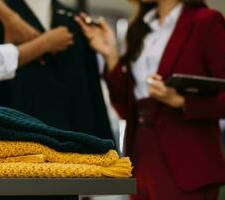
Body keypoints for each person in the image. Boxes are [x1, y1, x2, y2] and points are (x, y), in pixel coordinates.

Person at [76, 0, 225, 199]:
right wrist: (111, 55)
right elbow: (126, 108)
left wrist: (181, 102)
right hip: (141, 157)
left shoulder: (205, 21)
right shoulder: (140, 28)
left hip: (186, 160)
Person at [0, 0, 114, 142]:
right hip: (15, 145)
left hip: (73, 148)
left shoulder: (75, 20)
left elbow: (92, 94)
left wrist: (106, 149)